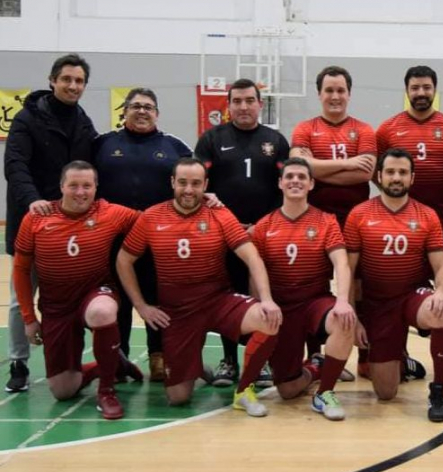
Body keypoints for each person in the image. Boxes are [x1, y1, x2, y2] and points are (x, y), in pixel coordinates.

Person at [116, 158, 283, 406]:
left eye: (196, 183)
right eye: (182, 182)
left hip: (217, 301)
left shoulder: (219, 214)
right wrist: (141, 306)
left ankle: (244, 390)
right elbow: (124, 260)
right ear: (172, 182)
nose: (189, 189)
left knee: (268, 320)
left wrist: (267, 300)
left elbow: (252, 257)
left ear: (205, 185)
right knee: (178, 398)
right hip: (178, 313)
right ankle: (195, 367)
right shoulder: (152, 217)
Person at [12, 161, 140, 419]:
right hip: (56, 306)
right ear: (61, 187)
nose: (80, 192)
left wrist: (203, 202)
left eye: (87, 186)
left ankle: (107, 391)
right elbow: (21, 270)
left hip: (95, 292)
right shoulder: (36, 218)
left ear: (96, 187)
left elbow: (153, 219)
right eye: (73, 186)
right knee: (63, 390)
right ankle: (112, 364)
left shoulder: (110, 212)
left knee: (103, 312)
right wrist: (28, 319)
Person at [4, 54, 98, 393]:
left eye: (79, 81)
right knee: (21, 299)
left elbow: (94, 167)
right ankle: (19, 362)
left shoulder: (84, 122)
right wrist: (33, 201)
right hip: (31, 223)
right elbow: (15, 165)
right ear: (52, 81)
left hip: (71, 230)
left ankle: (78, 360)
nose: (73, 86)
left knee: (73, 297)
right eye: (67, 79)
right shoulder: (27, 119)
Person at [236, 157, 356, 420]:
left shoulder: (326, 221)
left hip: (314, 301)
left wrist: (343, 300)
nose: (295, 181)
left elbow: (341, 262)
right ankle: (316, 366)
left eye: (302, 177)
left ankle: (325, 393)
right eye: (290, 176)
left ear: (311, 184)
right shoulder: (264, 226)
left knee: (345, 320)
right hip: (281, 308)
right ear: (280, 183)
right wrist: (259, 305)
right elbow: (255, 274)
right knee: (288, 390)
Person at [375, 65, 443, 383]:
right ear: (406, 90)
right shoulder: (388, 129)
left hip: (441, 220)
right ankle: (399, 354)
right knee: (401, 287)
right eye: (415, 87)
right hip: (400, 227)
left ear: (435, 90)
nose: (421, 93)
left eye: (426, 87)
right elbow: (380, 174)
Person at [344, 148, 443, 422]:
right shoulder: (359, 215)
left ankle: (438, 389)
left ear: (412, 178)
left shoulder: (427, 215)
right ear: (379, 176)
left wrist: (440, 292)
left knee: (441, 311)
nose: (396, 177)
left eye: (402, 172)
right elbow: (348, 270)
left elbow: (442, 265)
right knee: (385, 392)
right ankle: (401, 360)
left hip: (412, 294)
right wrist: (356, 317)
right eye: (391, 172)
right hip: (377, 303)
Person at [194, 78, 290, 387]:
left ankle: (258, 360)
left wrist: (262, 226)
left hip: (265, 234)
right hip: (224, 236)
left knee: (260, 296)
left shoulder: (275, 141)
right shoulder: (211, 139)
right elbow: (198, 185)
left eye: (250, 100)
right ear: (229, 105)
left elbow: (286, 189)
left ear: (260, 104)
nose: (244, 106)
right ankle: (229, 361)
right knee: (229, 298)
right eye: (237, 101)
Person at [94, 88, 192, 381]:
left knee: (157, 296)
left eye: (148, 107)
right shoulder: (101, 144)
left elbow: (194, 181)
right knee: (119, 301)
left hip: (158, 241)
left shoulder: (174, 146)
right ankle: (119, 358)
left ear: (157, 113)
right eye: (135, 106)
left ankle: (158, 357)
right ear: (123, 111)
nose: (141, 111)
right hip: (112, 240)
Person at [289, 66, 375, 378]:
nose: (335, 96)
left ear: (349, 94)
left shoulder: (364, 130)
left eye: (340, 90)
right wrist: (347, 163)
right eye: (329, 90)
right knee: (315, 287)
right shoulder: (305, 128)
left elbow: (365, 173)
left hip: (357, 221)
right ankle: (317, 356)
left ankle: (365, 356)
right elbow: (299, 166)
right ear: (319, 94)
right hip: (315, 221)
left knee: (360, 287)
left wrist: (319, 167)